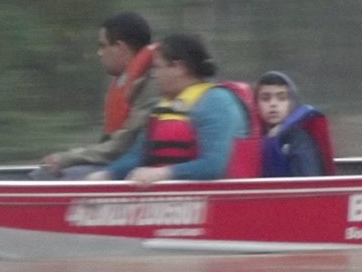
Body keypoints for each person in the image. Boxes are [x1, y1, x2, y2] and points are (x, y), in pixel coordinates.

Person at [89, 33, 258, 185]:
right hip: (167, 199)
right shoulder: (160, 108)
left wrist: (164, 173)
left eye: (158, 67)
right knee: (81, 174)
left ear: (179, 67)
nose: (155, 76)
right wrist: (108, 174)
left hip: (218, 202)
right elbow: (138, 155)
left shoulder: (217, 103)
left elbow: (214, 165)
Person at [32, 12, 159, 179]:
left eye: (103, 46)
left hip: (135, 169)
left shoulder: (152, 87)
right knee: (46, 173)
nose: (99, 53)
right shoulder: (125, 82)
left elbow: (122, 146)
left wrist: (68, 157)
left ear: (120, 48)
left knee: (49, 177)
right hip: (117, 161)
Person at [255, 71, 334, 177]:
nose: (273, 104)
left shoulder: (300, 142)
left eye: (281, 98)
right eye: (265, 98)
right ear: (256, 104)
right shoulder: (255, 139)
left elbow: (308, 186)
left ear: (291, 104)